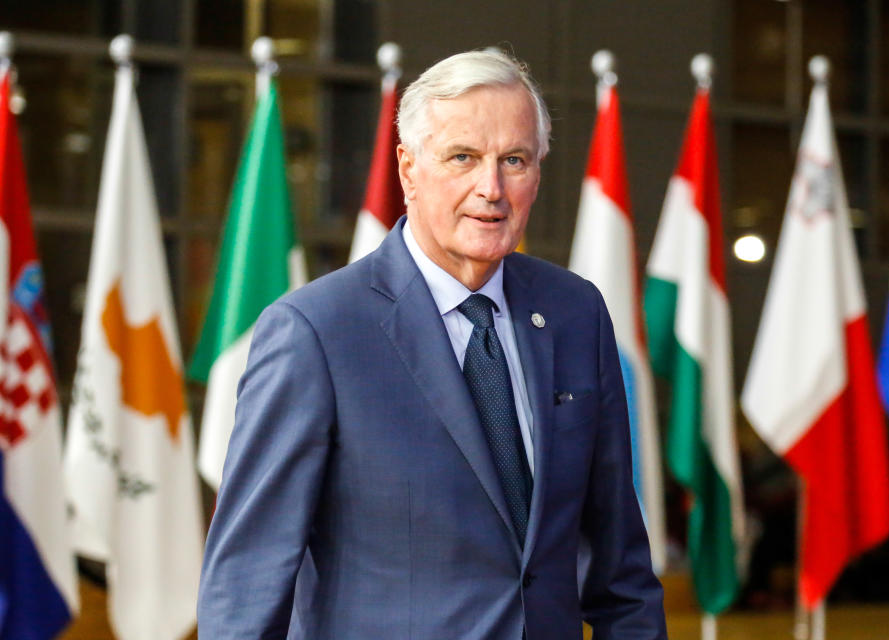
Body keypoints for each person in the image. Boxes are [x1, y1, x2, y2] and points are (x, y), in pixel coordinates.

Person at [197, 49, 666, 640]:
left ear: (539, 172)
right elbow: (246, 584)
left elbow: (620, 569)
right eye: (463, 157)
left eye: (514, 160)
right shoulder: (315, 331)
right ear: (408, 169)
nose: (490, 188)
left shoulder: (576, 313)